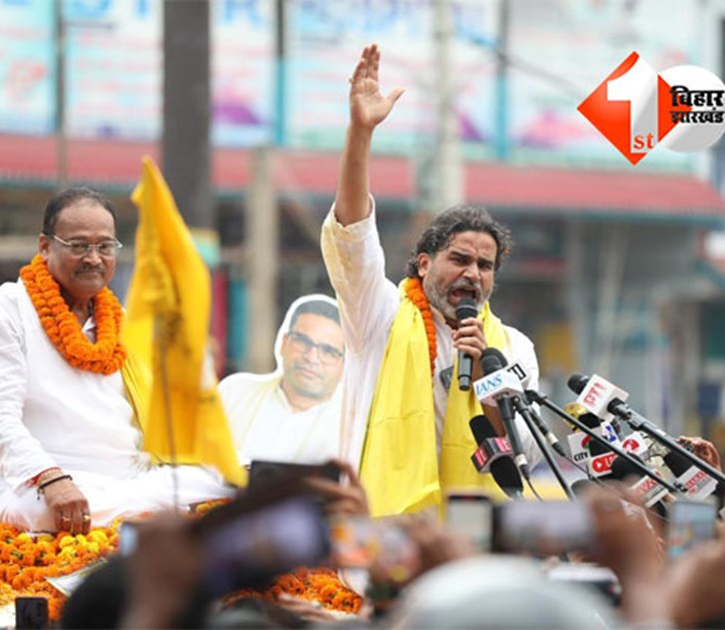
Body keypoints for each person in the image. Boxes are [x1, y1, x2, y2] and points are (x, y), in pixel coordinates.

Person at [321, 44, 542, 516]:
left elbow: (522, 456)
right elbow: (352, 236)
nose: (472, 274)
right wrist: (360, 132)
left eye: (485, 266)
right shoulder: (378, 316)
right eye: (459, 259)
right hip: (384, 531)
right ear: (423, 263)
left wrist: (487, 376)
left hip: (470, 537)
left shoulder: (511, 349)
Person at [0, 187, 232, 535]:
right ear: (45, 246)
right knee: (41, 510)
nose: (94, 258)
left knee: (223, 482)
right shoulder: (3, 311)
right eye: (79, 245)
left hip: (126, 483)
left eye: (105, 246)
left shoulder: (121, 322)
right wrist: (49, 478)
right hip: (32, 486)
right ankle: (142, 514)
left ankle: (138, 510)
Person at [217, 295, 346, 465]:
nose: (311, 358)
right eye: (303, 342)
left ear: (345, 364)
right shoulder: (234, 393)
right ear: (284, 343)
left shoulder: (351, 427)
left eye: (328, 351)